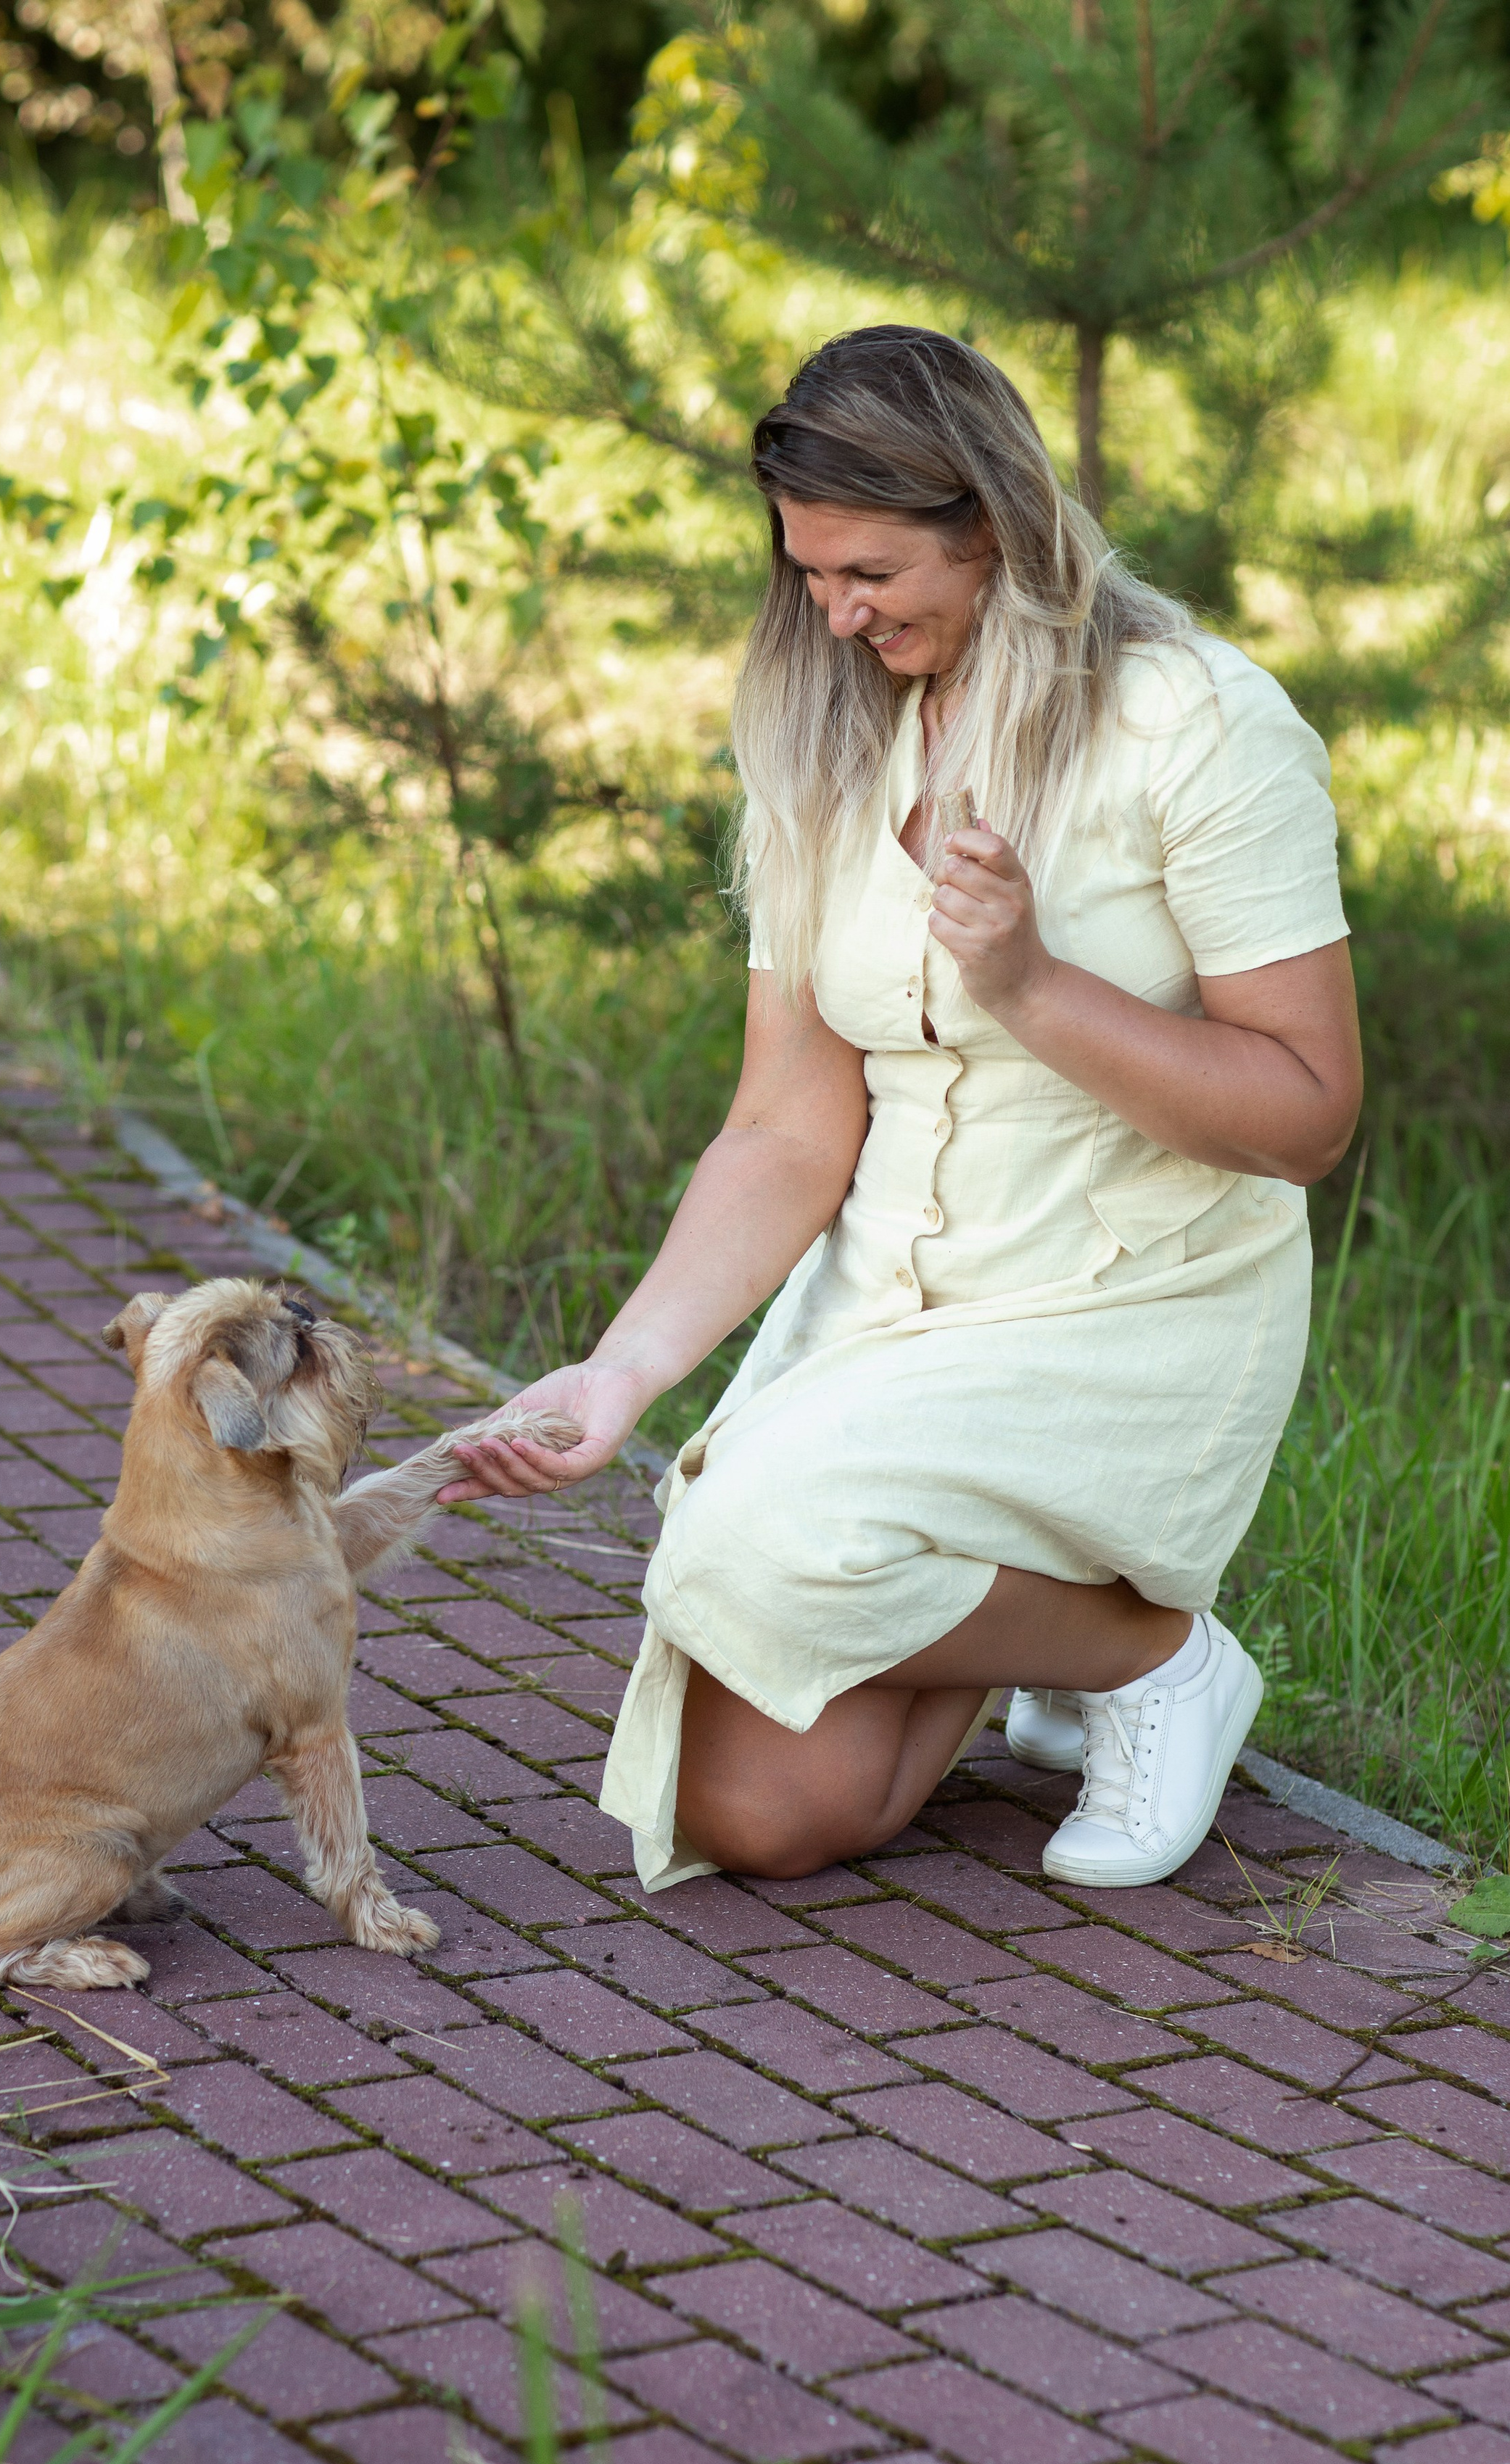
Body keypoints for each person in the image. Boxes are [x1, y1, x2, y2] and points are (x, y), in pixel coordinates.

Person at [438, 323, 1362, 1895]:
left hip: (1123, 1301)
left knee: (749, 1537)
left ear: (990, 524)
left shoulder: (1198, 723)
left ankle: (1148, 1661)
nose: (834, 613)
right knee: (762, 1818)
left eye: (868, 572)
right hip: (889, 1308)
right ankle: (1032, 1627)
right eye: (806, 574)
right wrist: (620, 1372)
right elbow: (785, 1129)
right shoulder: (825, 730)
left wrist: (1030, 987)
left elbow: (1303, 1115)